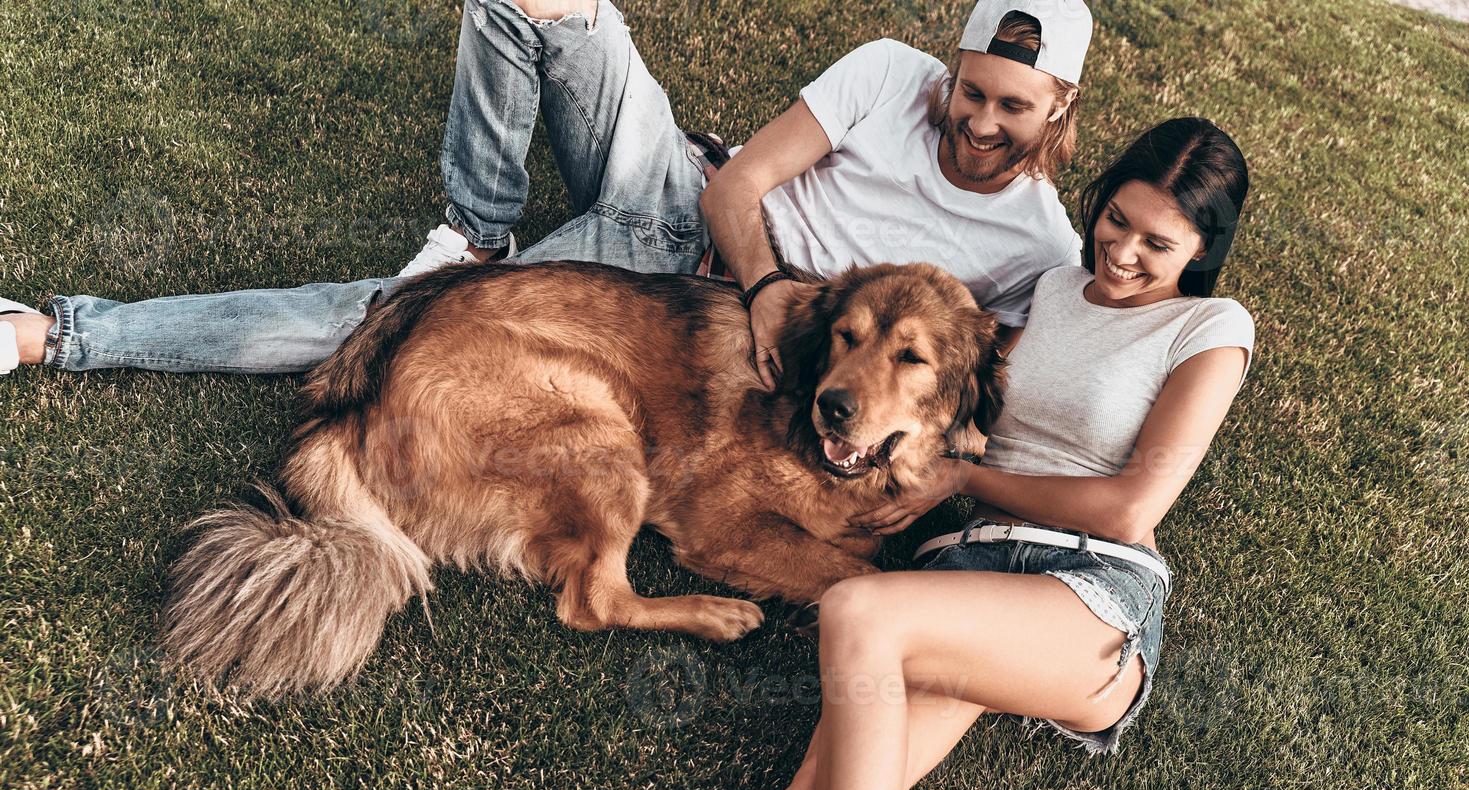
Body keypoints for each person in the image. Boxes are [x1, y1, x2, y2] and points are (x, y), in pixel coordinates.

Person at [664, 117, 1255, 790]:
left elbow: (1130, 507)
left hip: (1088, 592)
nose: (1122, 252)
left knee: (857, 607)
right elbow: (940, 392)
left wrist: (964, 483)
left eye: (1156, 242)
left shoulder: (1208, 328)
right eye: (1115, 221)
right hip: (968, 577)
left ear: (1200, 249)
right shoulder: (1053, 290)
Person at [0, 0, 1090, 387]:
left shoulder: (1037, 242)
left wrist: (760, 312)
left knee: (389, 319)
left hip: (674, 301)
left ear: (1059, 112)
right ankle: (474, 228)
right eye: (971, 90)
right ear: (951, 68)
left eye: (1011, 109)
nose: (977, 122)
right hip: (686, 194)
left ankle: (56, 334)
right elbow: (740, 184)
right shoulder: (893, 73)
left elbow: (989, 375)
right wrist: (769, 281)